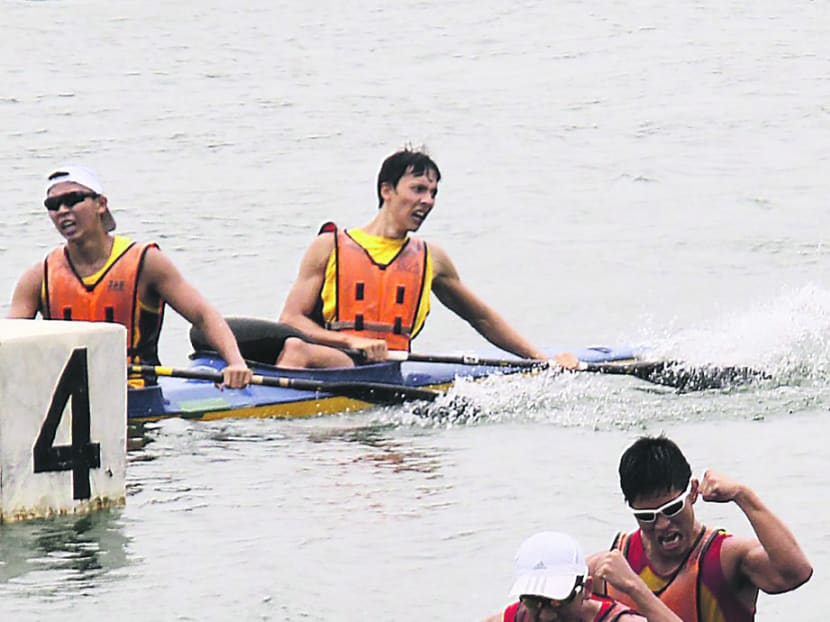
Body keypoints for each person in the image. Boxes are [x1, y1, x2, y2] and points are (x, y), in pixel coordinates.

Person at [277, 147, 577, 369]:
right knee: (295, 348)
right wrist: (351, 341)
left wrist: (543, 359)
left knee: (296, 350)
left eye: (433, 192)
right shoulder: (329, 246)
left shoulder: (432, 258)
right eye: (418, 189)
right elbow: (291, 319)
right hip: (338, 361)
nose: (428, 201)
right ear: (387, 191)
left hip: (389, 369)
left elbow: (482, 318)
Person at [7, 164, 252, 389]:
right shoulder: (39, 276)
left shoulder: (146, 262)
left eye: (72, 200)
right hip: (68, 391)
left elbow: (202, 316)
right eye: (53, 205)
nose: (62, 211)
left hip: (136, 389)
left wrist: (236, 363)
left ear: (100, 204)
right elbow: (8, 339)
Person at [588, 435, 813, 621]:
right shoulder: (610, 567)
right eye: (647, 516)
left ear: (693, 492)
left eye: (672, 508)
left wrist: (742, 495)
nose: (663, 524)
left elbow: (796, 573)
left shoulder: (725, 557)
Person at [482, 531, 683, 622]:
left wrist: (634, 588)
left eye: (557, 602)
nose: (545, 617)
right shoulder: (519, 617)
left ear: (586, 589)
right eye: (534, 601)